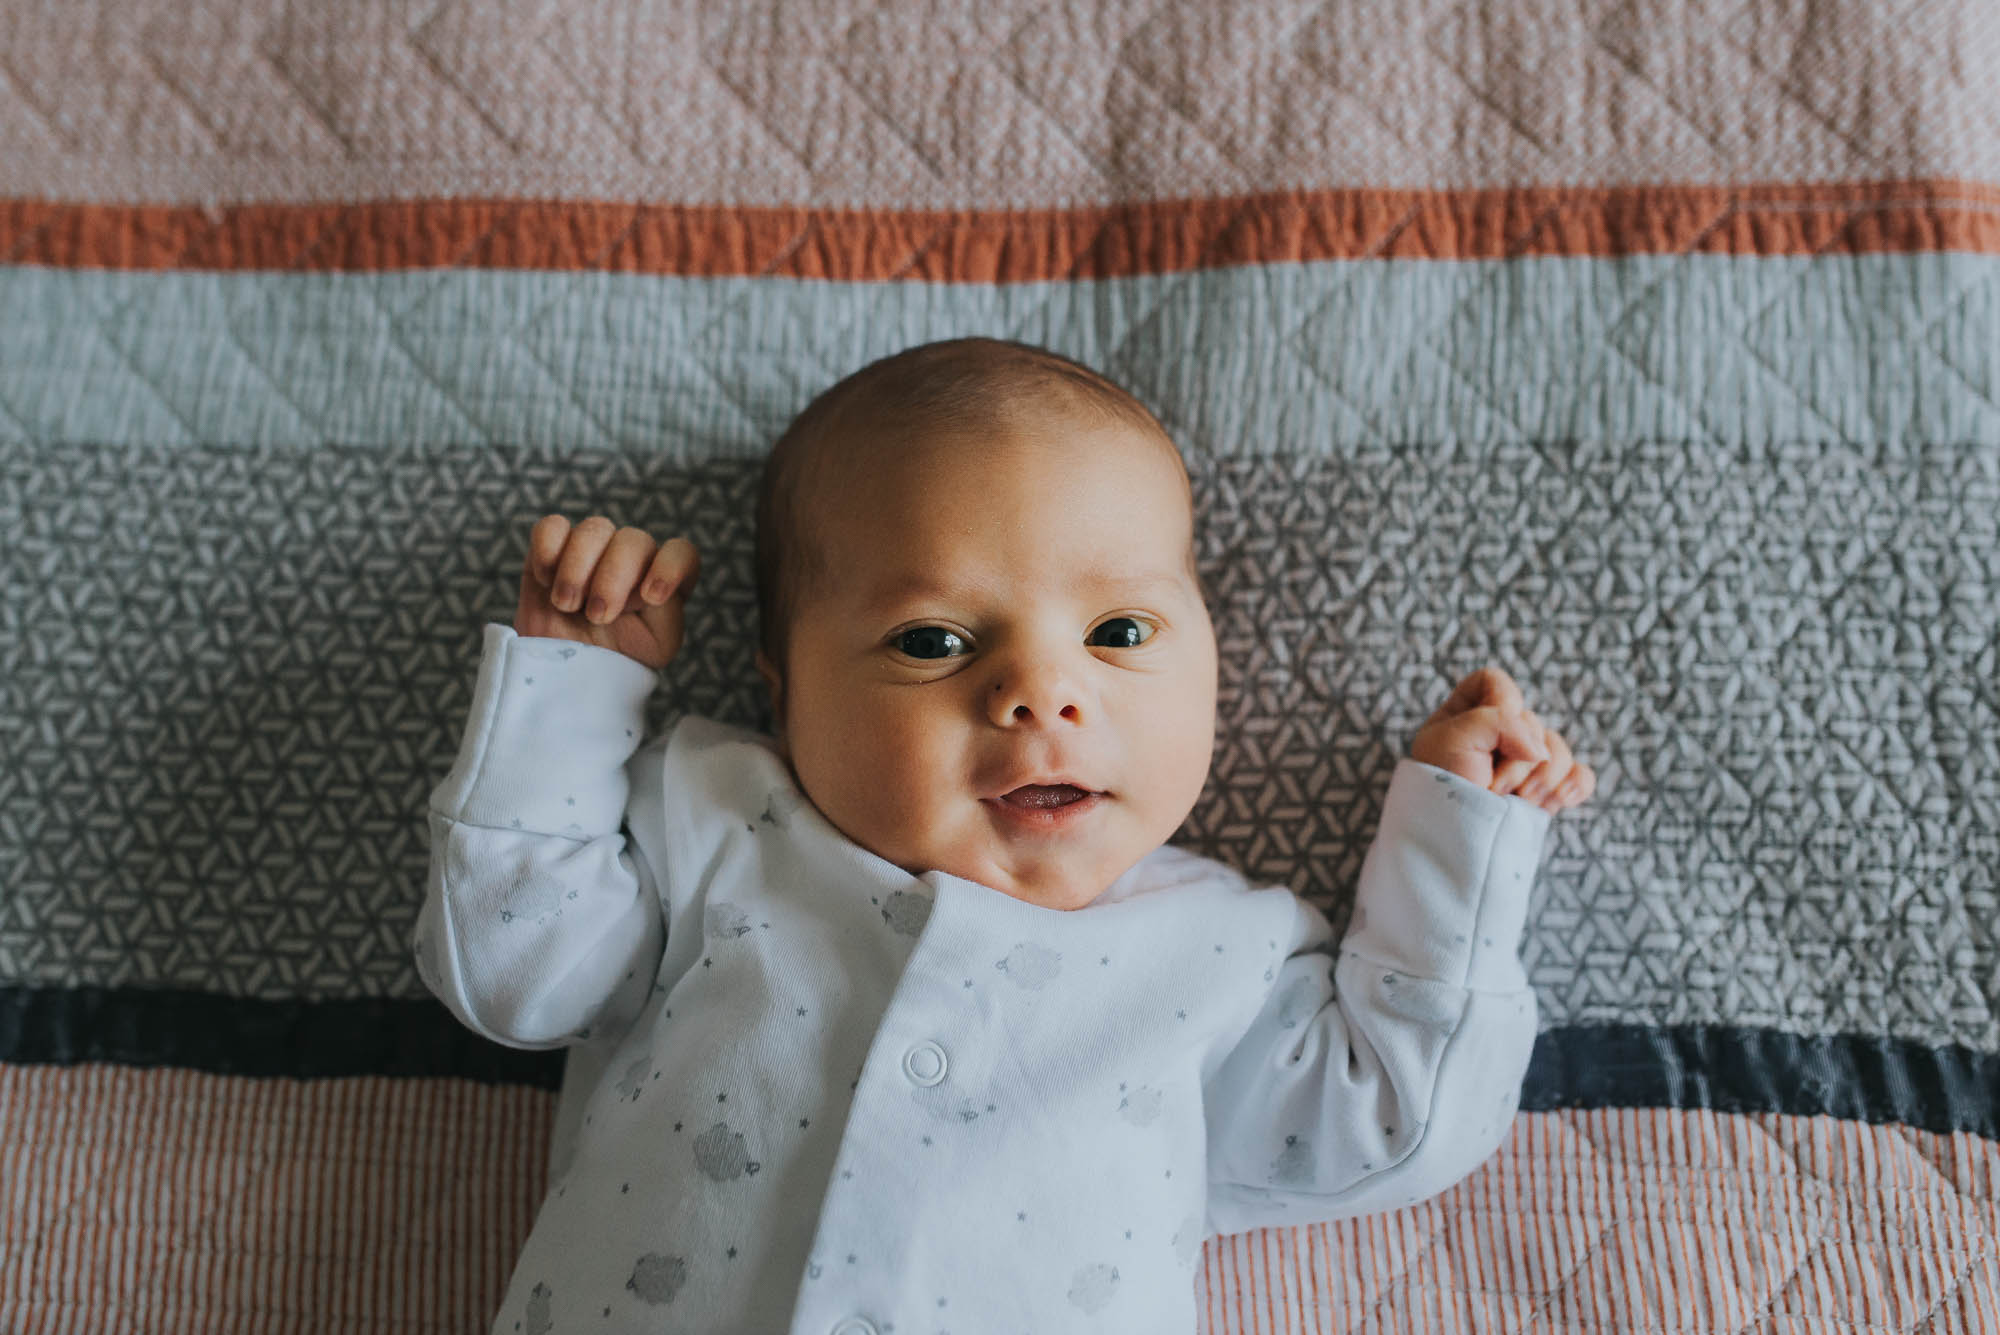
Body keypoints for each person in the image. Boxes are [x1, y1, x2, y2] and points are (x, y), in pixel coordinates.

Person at [413, 337, 1596, 1334]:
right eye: (932, 642)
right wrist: (567, 690)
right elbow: (519, 977)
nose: (1041, 693)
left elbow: (1388, 1123)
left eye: (1120, 630)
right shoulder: (715, 824)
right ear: (786, 694)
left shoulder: (1217, 956)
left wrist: (1459, 839)